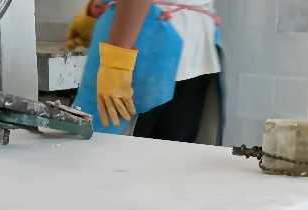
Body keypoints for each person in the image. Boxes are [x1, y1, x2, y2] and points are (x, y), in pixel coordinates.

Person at [66, 0, 221, 143]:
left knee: (98, 149)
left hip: (145, 45)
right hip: (196, 49)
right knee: (168, 158)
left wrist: (116, 61)